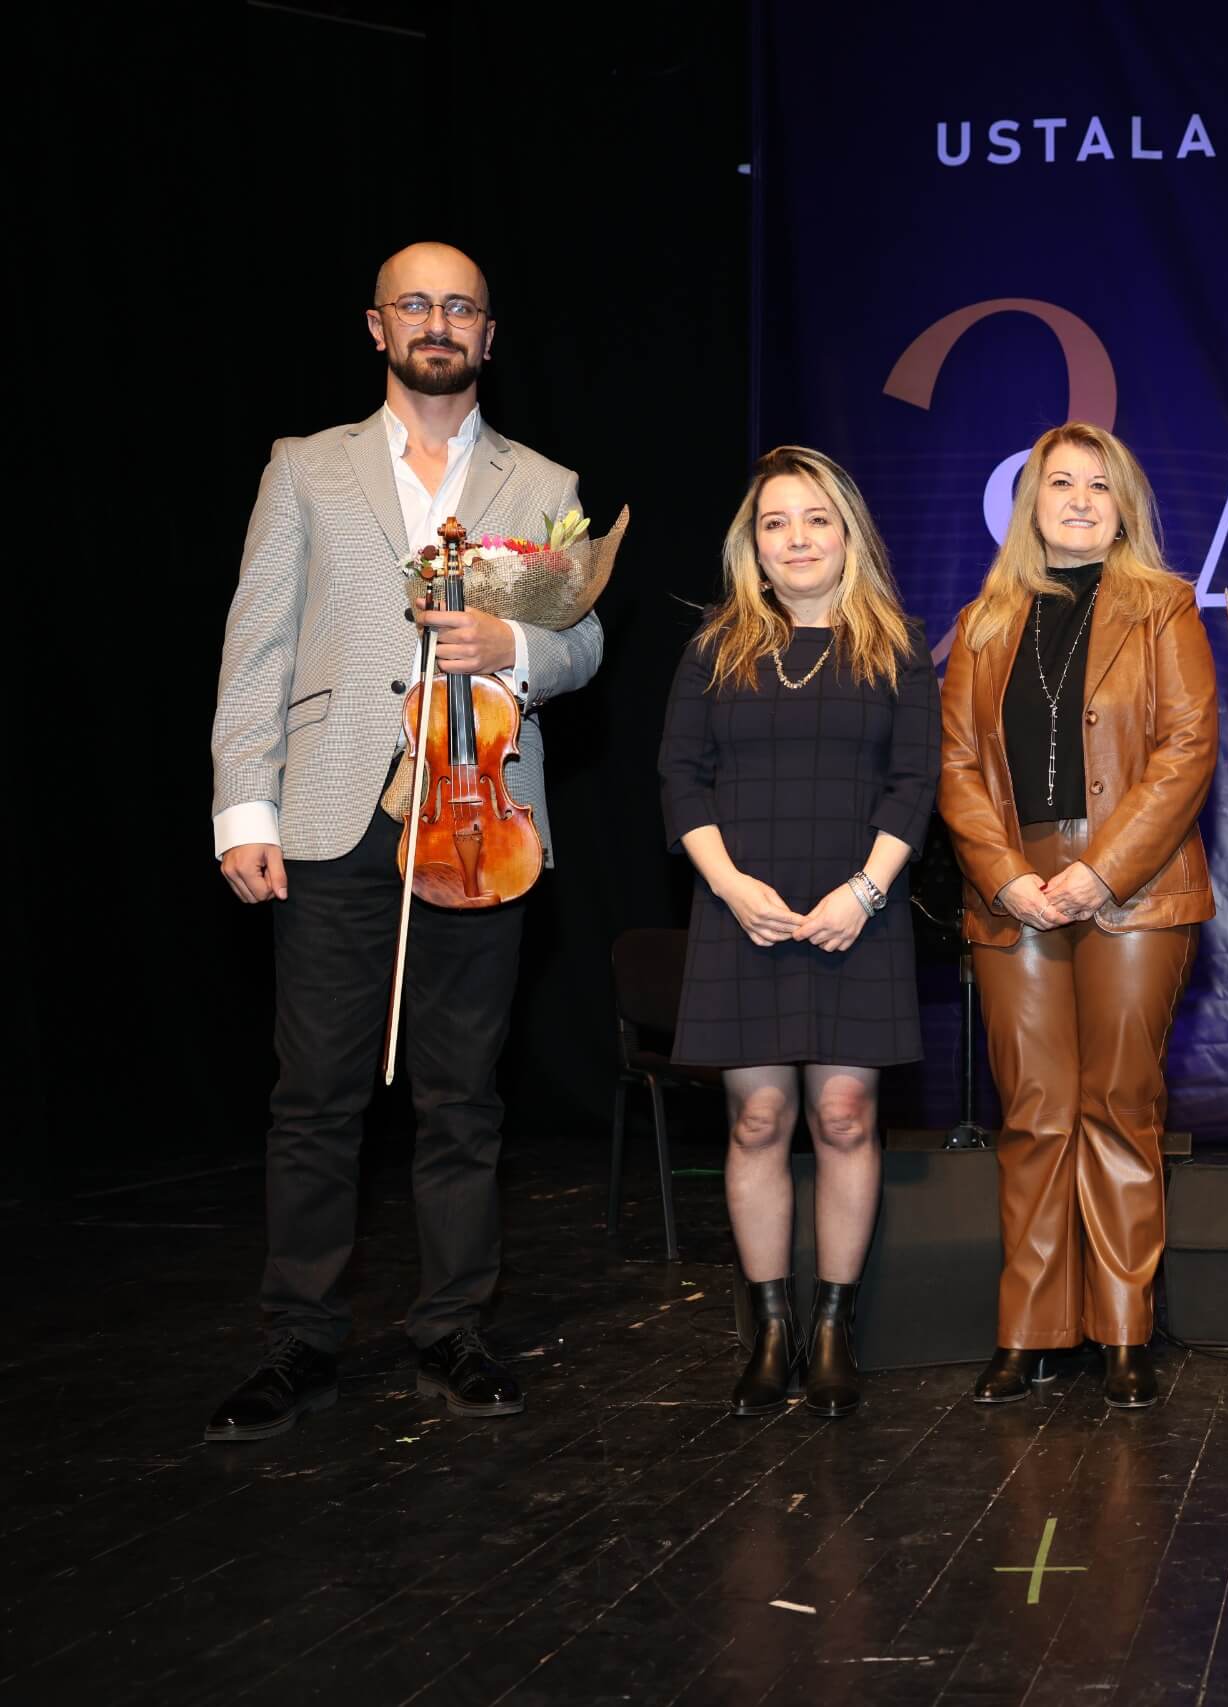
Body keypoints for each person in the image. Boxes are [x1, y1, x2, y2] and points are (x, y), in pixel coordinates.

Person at [206, 242, 605, 1442]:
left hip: (482, 820)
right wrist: (244, 807)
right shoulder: (304, 467)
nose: (440, 322)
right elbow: (259, 642)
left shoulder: (546, 481)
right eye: (417, 304)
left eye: (462, 307)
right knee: (318, 1093)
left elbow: (585, 641)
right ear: (377, 326)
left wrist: (515, 647)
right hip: (333, 813)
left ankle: (453, 1328)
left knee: (462, 1095)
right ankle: (298, 1338)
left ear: (489, 336)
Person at [940, 423, 1217, 1410]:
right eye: (1062, 483)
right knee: (1034, 1113)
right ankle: (1031, 1330)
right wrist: (1005, 875)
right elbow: (957, 767)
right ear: (1032, 503)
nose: (1081, 500)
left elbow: (1188, 747)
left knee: (1119, 1106)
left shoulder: (1163, 604)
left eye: (1101, 485)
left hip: (1133, 885)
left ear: (1124, 506)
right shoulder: (982, 621)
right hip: (1013, 886)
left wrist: (1101, 873)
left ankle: (1124, 1329)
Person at [659, 445, 938, 1419]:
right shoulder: (714, 649)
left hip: (858, 911)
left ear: (847, 533)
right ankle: (771, 1330)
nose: (798, 538)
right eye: (776, 522)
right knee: (759, 1121)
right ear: (754, 544)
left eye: (817, 518)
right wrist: (731, 887)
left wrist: (865, 892)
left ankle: (832, 1330)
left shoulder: (895, 645)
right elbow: (680, 778)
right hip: (744, 911)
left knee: (846, 1116)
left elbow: (915, 784)